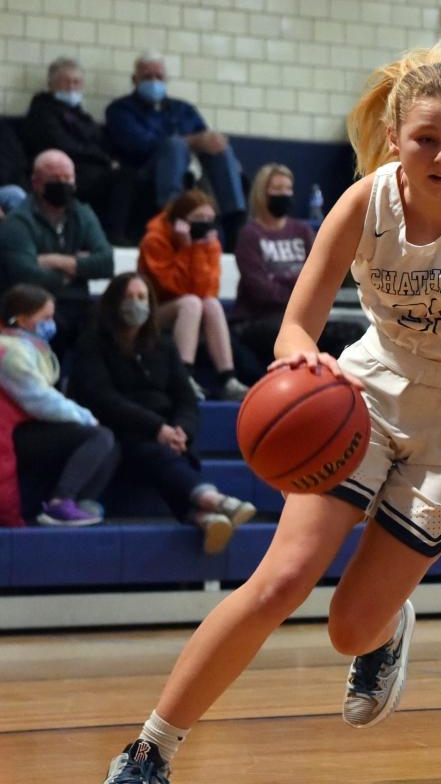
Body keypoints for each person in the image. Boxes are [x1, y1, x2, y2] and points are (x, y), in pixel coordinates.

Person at [87, 42, 441, 784]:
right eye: (428, 138)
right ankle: (149, 748)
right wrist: (308, 368)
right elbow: (296, 324)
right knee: (281, 578)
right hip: (364, 388)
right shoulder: (361, 201)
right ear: (397, 139)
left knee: (348, 627)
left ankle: (384, 623)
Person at [70, 272, 256, 552]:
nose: (136, 304)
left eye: (142, 297)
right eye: (129, 297)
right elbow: (103, 398)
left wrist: (183, 430)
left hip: (166, 432)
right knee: (154, 451)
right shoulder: (92, 343)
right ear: (113, 303)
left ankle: (205, 517)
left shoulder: (164, 344)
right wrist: (158, 428)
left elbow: (186, 398)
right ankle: (211, 500)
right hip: (120, 429)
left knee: (169, 452)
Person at [0, 284, 118, 526]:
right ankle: (59, 504)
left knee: (112, 444)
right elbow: (39, 400)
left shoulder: (32, 347)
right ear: (22, 320)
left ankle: (80, 503)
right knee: (98, 437)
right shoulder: (10, 352)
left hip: (29, 427)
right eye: (46, 317)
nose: (52, 323)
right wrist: (83, 416)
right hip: (15, 434)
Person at [232, 164, 366, 374]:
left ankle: (338, 389)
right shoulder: (250, 234)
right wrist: (298, 285)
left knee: (353, 333)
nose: (284, 194)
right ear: (261, 193)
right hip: (258, 320)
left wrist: (282, 281)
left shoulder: (301, 230)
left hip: (300, 318)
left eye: (288, 188)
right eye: (277, 188)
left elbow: (319, 277)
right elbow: (260, 290)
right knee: (281, 333)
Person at [105, 52, 246, 245]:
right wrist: (190, 141)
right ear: (134, 80)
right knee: (174, 145)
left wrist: (210, 142)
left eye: (159, 77)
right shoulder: (120, 110)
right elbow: (137, 145)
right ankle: (173, 213)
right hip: (144, 173)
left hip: (189, 172)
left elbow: (204, 139)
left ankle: (235, 222)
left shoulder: (183, 109)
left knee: (219, 146)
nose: (154, 81)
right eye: (148, 77)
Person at [137, 190, 249, 401]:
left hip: (193, 311)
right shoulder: (154, 240)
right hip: (155, 311)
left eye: (209, 219)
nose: (205, 224)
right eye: (198, 219)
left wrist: (198, 250)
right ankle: (184, 376)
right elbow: (171, 288)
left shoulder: (210, 244)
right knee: (191, 303)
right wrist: (186, 248)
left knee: (211, 305)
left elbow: (208, 290)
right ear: (180, 220)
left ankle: (228, 378)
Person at [0, 150, 114, 355]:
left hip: (77, 300)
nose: (63, 184)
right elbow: (27, 274)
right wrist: (75, 270)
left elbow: (106, 263)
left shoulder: (82, 213)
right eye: (55, 179)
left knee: (108, 323)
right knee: (58, 328)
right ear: (36, 183)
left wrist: (57, 261)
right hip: (32, 306)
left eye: (68, 178)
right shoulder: (18, 221)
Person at [23, 57, 121, 235]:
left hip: (91, 168)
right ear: (51, 84)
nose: (71, 87)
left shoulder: (82, 115)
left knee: (127, 175)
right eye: (65, 82)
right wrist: (104, 160)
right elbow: (61, 144)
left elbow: (102, 141)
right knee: (120, 179)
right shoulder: (43, 110)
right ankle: (113, 234)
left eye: (76, 82)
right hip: (63, 169)